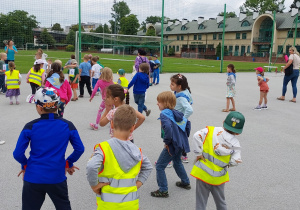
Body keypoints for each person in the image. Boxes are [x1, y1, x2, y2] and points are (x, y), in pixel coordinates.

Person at [13, 87, 85, 210]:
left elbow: (17, 153)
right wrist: (68, 163)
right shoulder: (68, 125)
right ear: (57, 105)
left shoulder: (30, 126)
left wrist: (25, 165)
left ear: (39, 107)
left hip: (33, 177)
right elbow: (80, 149)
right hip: (57, 177)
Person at [87, 104, 153, 209]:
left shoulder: (103, 148)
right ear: (132, 128)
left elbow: (91, 166)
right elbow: (148, 167)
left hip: (107, 205)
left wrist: (94, 185)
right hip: (131, 204)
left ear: (112, 124)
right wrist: (138, 184)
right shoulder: (137, 151)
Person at [191, 111, 245, 210]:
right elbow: (236, 161)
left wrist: (198, 153)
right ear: (238, 132)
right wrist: (229, 163)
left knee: (201, 201)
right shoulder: (235, 144)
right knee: (221, 202)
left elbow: (196, 136)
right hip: (219, 177)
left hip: (203, 173)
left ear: (223, 121)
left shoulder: (210, 131)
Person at [151, 91, 191, 198]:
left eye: (159, 102)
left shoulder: (164, 114)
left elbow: (168, 128)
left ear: (165, 103)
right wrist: (183, 138)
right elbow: (187, 124)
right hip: (181, 143)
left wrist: (167, 142)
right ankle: (185, 182)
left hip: (173, 144)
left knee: (159, 166)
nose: (157, 104)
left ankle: (163, 190)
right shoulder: (176, 113)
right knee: (177, 162)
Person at [170, 74, 193, 163]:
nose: (170, 85)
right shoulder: (185, 91)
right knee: (181, 137)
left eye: (172, 84)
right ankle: (184, 155)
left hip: (178, 121)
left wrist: (183, 119)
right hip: (180, 120)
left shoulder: (181, 97)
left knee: (172, 139)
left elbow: (190, 110)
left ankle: (168, 159)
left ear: (179, 86)